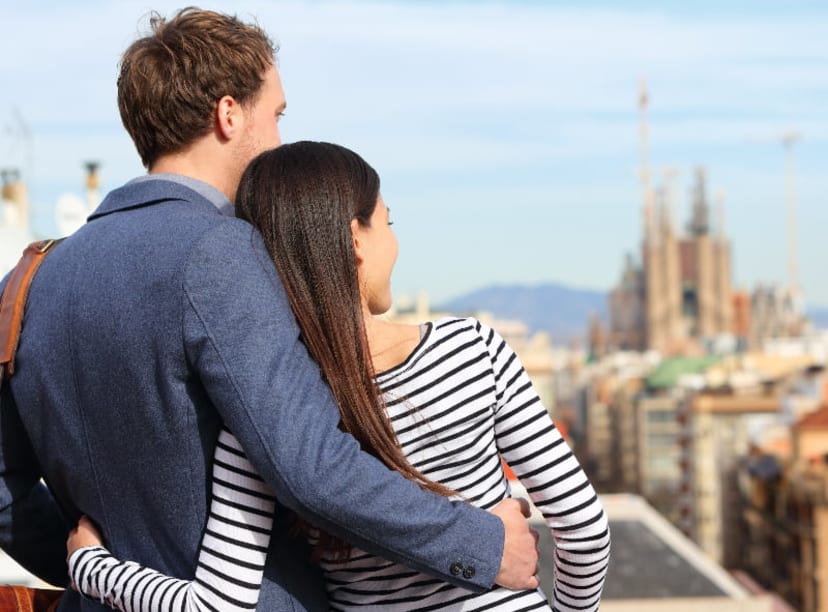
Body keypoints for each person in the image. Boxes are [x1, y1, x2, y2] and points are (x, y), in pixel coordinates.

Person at [0, 8, 539, 611]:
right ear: (228, 114)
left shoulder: (32, 277)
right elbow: (310, 464)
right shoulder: (221, 252)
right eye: (276, 114)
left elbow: (3, 487)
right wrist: (481, 543)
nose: (280, 138)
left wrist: (87, 566)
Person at [66, 142, 611, 611]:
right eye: (388, 222)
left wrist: (91, 566)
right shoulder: (472, 350)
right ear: (356, 239)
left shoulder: (269, 410)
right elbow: (584, 530)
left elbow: (217, 603)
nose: (395, 242)